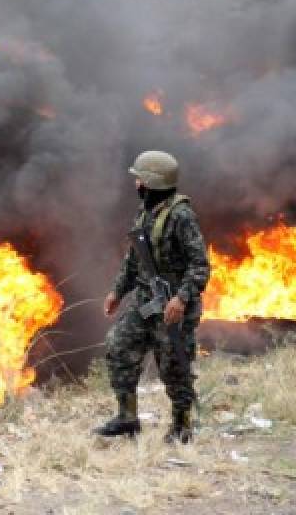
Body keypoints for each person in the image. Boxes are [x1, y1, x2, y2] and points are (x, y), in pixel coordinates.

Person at [97, 151, 211, 444]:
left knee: (174, 365)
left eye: (139, 179)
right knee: (118, 345)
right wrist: (117, 292)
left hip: (174, 307)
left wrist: (182, 299)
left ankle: (182, 426)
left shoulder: (181, 216)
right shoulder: (145, 213)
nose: (135, 184)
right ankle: (127, 417)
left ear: (150, 183)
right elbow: (134, 260)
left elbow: (200, 266)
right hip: (147, 301)